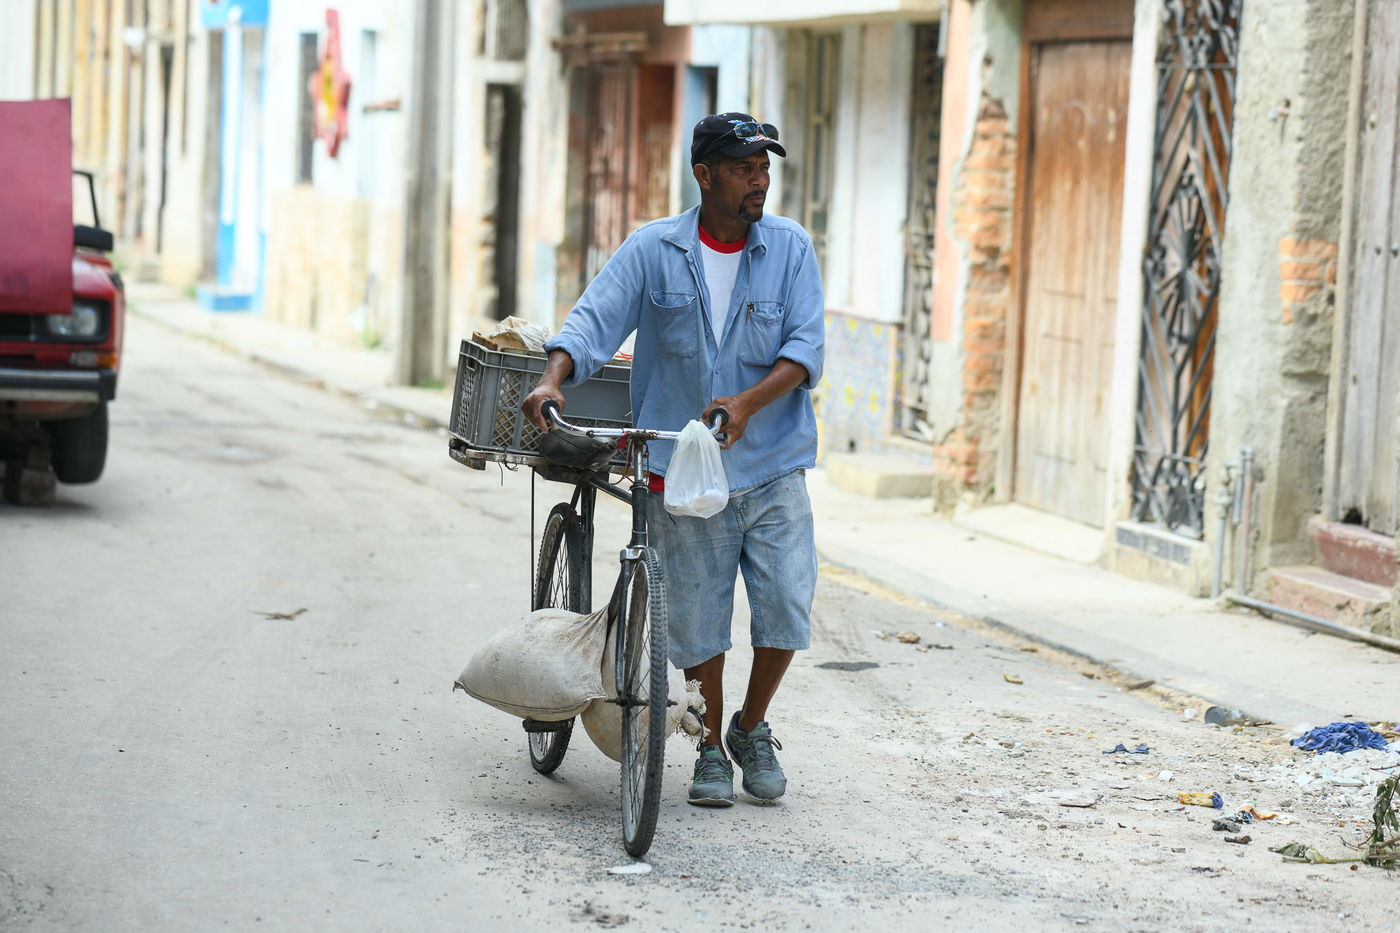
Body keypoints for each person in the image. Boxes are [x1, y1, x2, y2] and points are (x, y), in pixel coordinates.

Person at [523, 113, 824, 807]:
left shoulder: (790, 248)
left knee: (787, 602)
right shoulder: (654, 248)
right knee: (695, 617)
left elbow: (806, 349)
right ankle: (711, 744)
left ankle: (750, 726)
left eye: (765, 168)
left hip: (772, 461)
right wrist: (552, 378)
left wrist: (746, 403)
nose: (760, 181)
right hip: (680, 468)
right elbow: (593, 321)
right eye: (745, 169)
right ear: (705, 175)